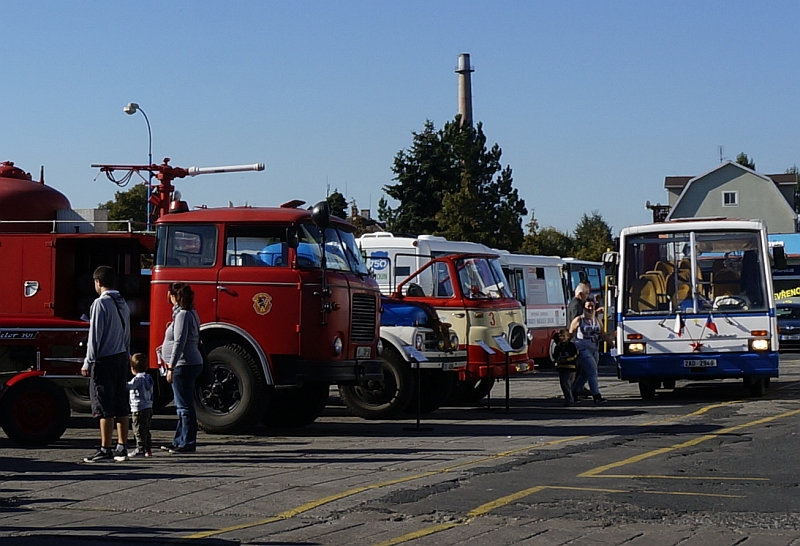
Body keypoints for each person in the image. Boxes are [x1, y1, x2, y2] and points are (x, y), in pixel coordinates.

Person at [81, 266, 132, 463]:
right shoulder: (122, 303)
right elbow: (127, 332)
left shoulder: (100, 304)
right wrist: (127, 353)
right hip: (121, 356)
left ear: (98, 282)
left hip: (104, 359)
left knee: (103, 405)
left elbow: (95, 336)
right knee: (121, 404)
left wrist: (88, 361)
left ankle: (105, 448)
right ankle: (122, 445)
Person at [160, 282, 203, 454]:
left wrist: (171, 366)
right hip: (188, 362)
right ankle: (179, 440)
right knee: (182, 404)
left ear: (174, 296)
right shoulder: (189, 313)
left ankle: (188, 442)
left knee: (184, 406)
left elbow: (180, 341)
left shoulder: (183, 315)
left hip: (184, 364)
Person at [569, 299, 613, 405]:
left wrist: (612, 343)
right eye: (588, 306)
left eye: (592, 306)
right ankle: (596, 396)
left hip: (594, 349)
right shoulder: (579, 320)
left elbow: (602, 334)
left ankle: (574, 392)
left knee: (585, 373)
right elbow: (570, 333)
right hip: (582, 348)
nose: (590, 308)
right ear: (584, 307)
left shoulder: (597, 320)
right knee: (592, 371)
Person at [127, 353, 154, 457]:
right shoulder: (148, 378)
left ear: (132, 368)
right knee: (146, 429)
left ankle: (140, 449)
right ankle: (148, 448)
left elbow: (129, 386)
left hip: (138, 407)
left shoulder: (137, 380)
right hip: (148, 406)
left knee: (137, 429)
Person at [552, 328, 579, 406]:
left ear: (568, 337)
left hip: (570, 367)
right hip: (561, 367)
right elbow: (555, 355)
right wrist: (558, 360)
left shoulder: (572, 346)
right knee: (563, 384)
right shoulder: (558, 346)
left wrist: (567, 359)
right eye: (560, 336)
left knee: (567, 383)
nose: (561, 338)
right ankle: (570, 398)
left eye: (563, 336)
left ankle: (570, 400)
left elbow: (575, 354)